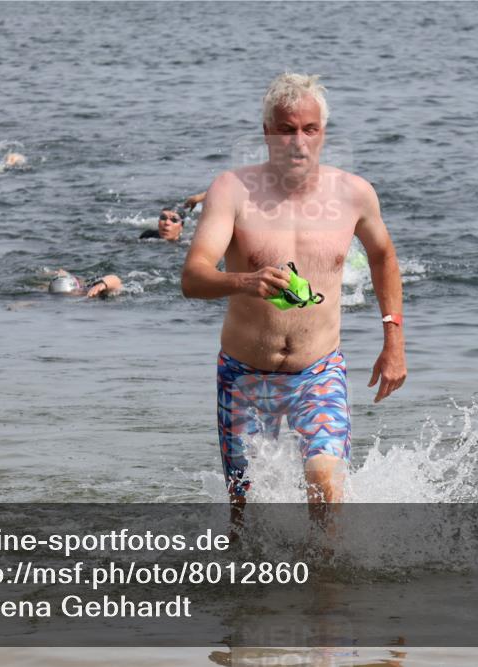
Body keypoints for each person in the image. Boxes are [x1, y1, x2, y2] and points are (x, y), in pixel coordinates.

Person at [181, 72, 406, 506]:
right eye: (286, 130)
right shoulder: (231, 190)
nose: (298, 142)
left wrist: (392, 339)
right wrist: (245, 281)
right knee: (244, 509)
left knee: (325, 483)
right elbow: (193, 278)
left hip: (318, 371)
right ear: (267, 133)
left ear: (323, 133)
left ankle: (328, 576)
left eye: (310, 129)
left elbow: (383, 258)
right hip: (244, 375)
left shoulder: (354, 194)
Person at [48, 269, 122, 298]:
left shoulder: (91, 290)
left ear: (78, 289)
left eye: (73, 292)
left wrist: (103, 284)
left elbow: (116, 280)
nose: (70, 297)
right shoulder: (53, 294)